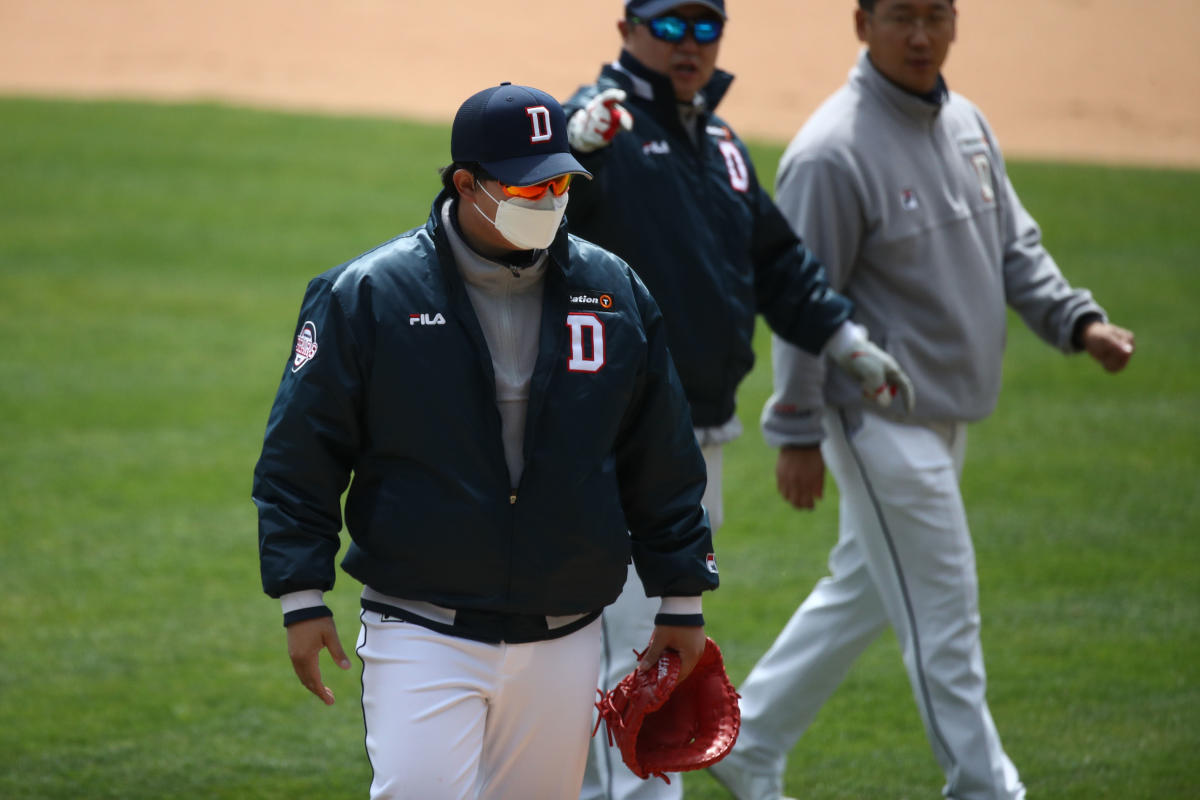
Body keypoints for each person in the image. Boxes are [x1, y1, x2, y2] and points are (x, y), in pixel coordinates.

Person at [707, 2, 1137, 799]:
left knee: (863, 592)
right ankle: (984, 785)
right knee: (947, 614)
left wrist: (1078, 322)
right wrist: (797, 428)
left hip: (947, 413)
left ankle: (750, 737)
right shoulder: (832, 153)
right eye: (900, 16)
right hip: (876, 422)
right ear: (862, 23)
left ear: (955, 23)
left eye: (935, 16)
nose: (920, 35)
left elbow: (1016, 247)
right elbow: (802, 299)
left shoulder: (967, 123)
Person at [252, 82, 725, 800]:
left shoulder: (615, 291)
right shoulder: (370, 294)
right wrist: (301, 593)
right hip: (421, 625)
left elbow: (659, 456)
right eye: (527, 187)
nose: (549, 201)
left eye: (560, 182)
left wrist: (682, 597)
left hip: (565, 631)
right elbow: (300, 453)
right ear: (465, 184)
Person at [560, 2, 915, 798]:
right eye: (670, 27)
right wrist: (570, 152)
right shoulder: (595, 130)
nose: (690, 46)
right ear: (627, 31)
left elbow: (779, 265)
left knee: (632, 646)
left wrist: (844, 343)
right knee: (646, 652)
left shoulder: (719, 145)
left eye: (704, 28)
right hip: (612, 442)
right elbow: (528, 224)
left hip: (698, 439)